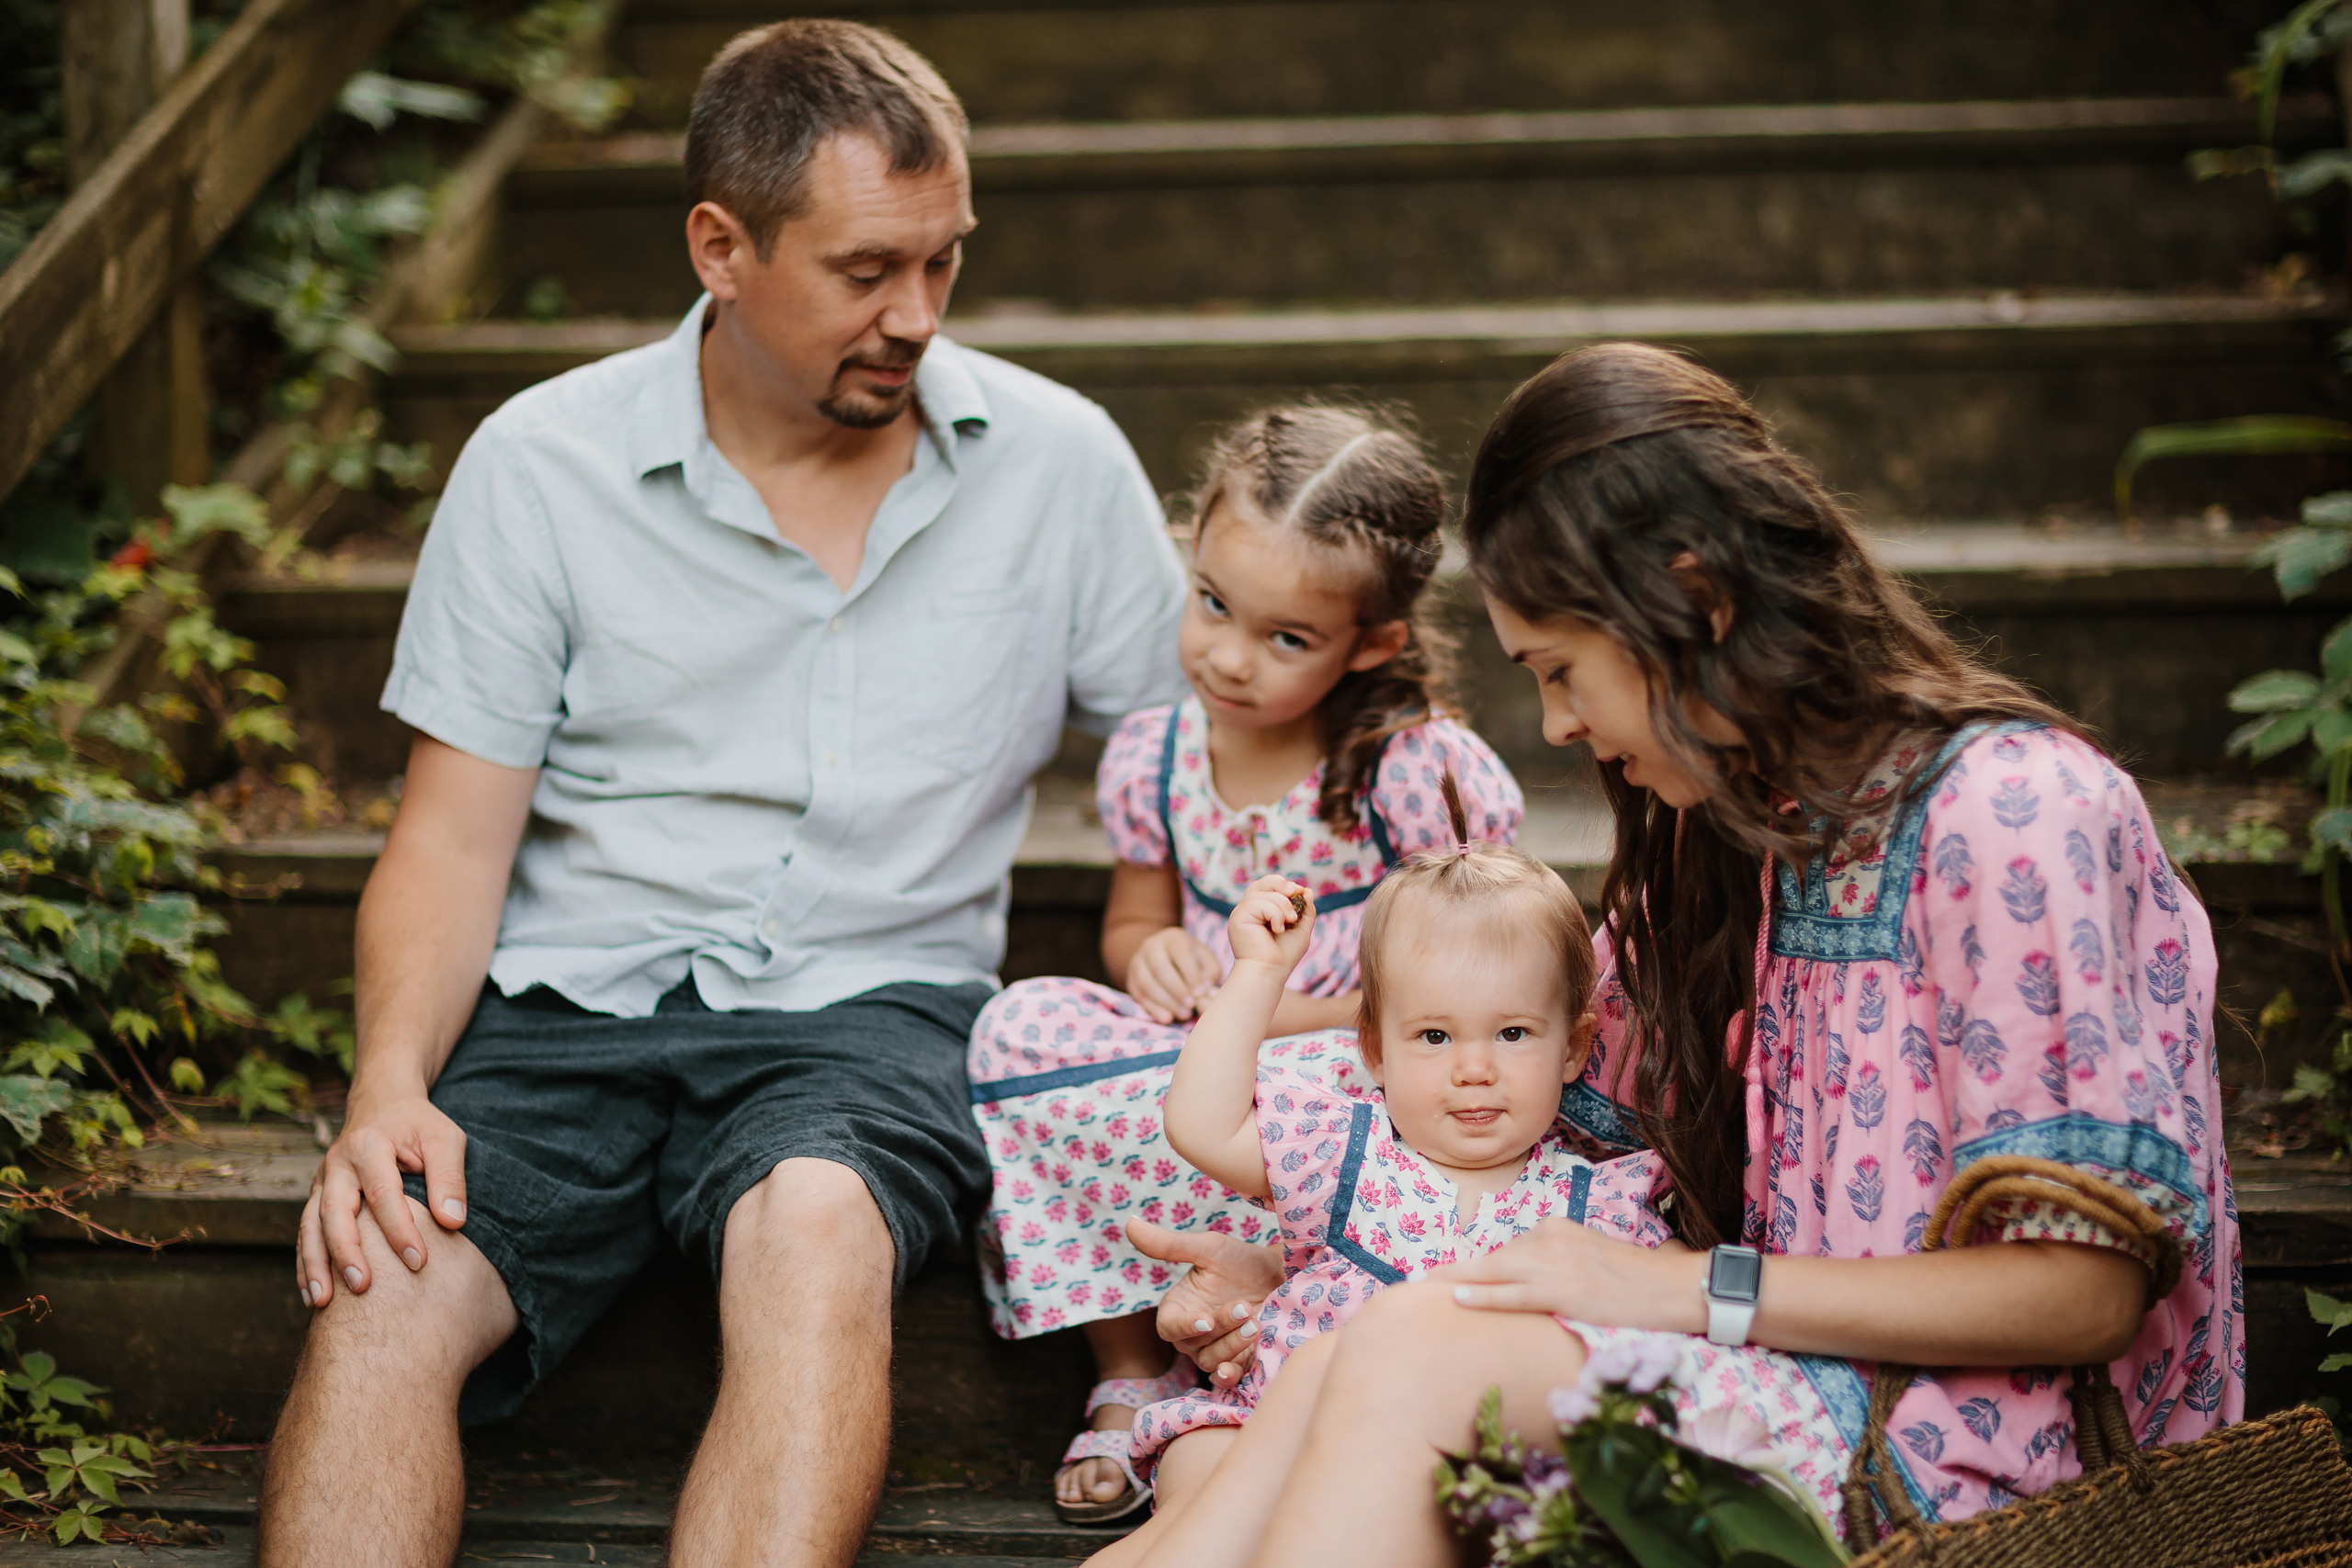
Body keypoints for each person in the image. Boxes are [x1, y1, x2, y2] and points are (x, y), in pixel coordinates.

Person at [256, 21, 1185, 1568]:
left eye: (944, 264)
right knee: (384, 1278)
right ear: (721, 246)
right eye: (868, 269)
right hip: (569, 1007)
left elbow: (1210, 754)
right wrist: (388, 1090)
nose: (918, 315)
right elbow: (450, 832)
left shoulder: (1058, 466)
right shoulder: (538, 466)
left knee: (817, 1234)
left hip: (875, 1011)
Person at [1125, 342, 2241, 1566]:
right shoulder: (1729, 845)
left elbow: (2082, 1295)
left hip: (1978, 1446)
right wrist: (1299, 1243)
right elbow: (1478, 1073)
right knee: (1346, 1347)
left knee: (1405, 1346)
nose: (1558, 726)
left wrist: (1690, 1287)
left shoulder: (2012, 812)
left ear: (1698, 602)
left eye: (1560, 671)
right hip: (1789, 1377)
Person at [964, 407, 1522, 1523]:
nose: (1226, 655)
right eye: (1213, 602)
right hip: (1201, 1058)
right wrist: (1157, 955)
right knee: (1015, 1027)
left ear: (1370, 643)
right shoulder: (1157, 754)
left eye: (1285, 639)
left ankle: (1243, 1346)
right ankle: (1126, 1364)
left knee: (1255, 1097)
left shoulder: (1412, 772)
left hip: (1346, 1065)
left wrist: (1269, 1018)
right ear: (1189, 555)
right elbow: (1132, 927)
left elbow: (1486, 989)